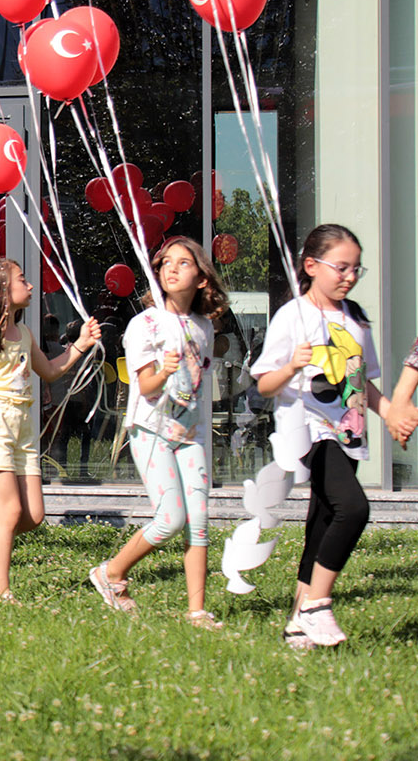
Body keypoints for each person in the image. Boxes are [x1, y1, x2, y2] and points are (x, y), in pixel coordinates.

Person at [250, 224, 402, 647]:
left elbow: (364, 382)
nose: (350, 276)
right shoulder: (292, 315)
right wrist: (292, 366)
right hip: (311, 430)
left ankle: (298, 622)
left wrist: (389, 413)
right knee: (352, 508)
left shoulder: (355, 319)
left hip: (349, 433)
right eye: (341, 267)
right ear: (311, 266)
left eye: (357, 269)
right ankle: (318, 604)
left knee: (322, 521)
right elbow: (263, 384)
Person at [89, 237, 226, 627]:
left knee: (198, 520)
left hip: (192, 434)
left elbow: (199, 384)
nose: (171, 269)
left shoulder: (203, 326)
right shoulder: (143, 324)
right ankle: (111, 573)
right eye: (166, 262)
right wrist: (164, 371)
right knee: (171, 518)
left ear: (202, 279)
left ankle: (197, 611)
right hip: (151, 430)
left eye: (183, 263)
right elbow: (145, 386)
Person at [0, 259, 100, 601]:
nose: (30, 286)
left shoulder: (26, 334)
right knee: (11, 512)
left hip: (23, 430)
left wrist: (80, 344)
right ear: (2, 292)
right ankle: (2, 594)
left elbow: (49, 370)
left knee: (33, 516)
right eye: (23, 279)